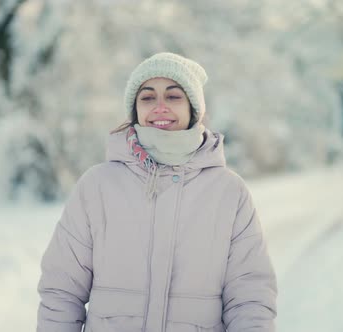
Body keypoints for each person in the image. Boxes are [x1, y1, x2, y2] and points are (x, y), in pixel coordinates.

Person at [37, 52, 277, 332]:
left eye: (174, 97)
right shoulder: (97, 185)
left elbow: (250, 297)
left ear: (194, 109)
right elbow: (61, 290)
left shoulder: (228, 191)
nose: (159, 107)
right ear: (135, 110)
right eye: (148, 97)